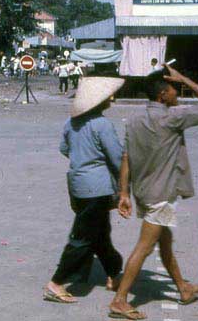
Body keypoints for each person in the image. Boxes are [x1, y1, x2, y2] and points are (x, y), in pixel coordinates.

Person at [109, 65, 198, 320]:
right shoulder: (173, 117)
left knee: (165, 242)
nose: (177, 93)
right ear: (163, 94)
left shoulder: (134, 119)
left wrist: (124, 192)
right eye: (174, 89)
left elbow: (126, 157)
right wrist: (184, 76)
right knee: (144, 247)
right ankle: (120, 299)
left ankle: (183, 288)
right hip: (161, 196)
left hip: (143, 192)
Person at [45, 77, 125, 304]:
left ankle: (113, 273)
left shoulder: (70, 123)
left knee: (99, 233)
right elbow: (118, 158)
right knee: (82, 237)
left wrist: (82, 159)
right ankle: (56, 282)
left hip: (78, 184)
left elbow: (64, 149)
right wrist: (125, 184)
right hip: (97, 188)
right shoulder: (102, 124)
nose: (112, 98)